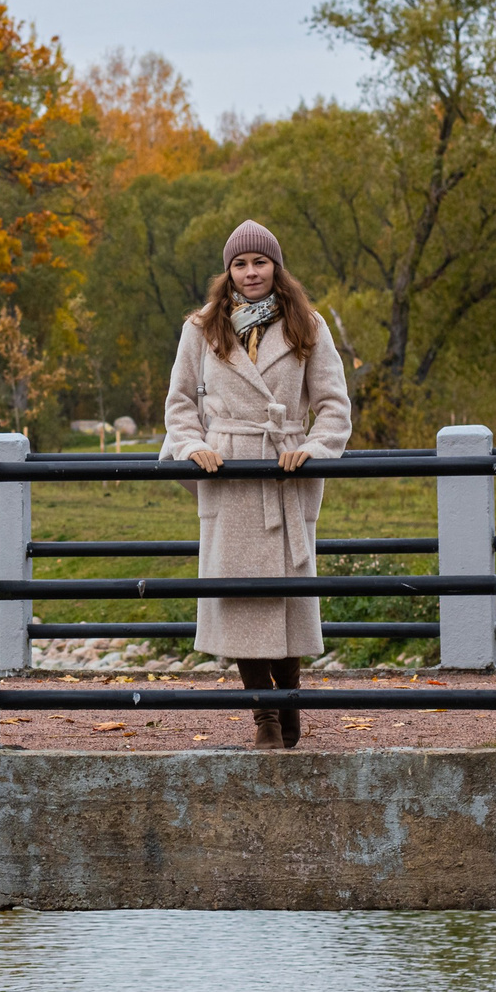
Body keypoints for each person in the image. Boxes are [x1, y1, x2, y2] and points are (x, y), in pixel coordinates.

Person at [159, 220, 353, 747]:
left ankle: (290, 702)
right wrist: (192, 446)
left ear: (276, 267)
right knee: (242, 598)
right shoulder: (200, 329)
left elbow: (334, 407)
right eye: (240, 264)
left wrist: (311, 450)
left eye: (259, 262)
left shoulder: (307, 325)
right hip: (229, 473)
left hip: (285, 470)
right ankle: (264, 715)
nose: (250, 272)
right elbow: (180, 404)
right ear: (228, 271)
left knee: (286, 598)